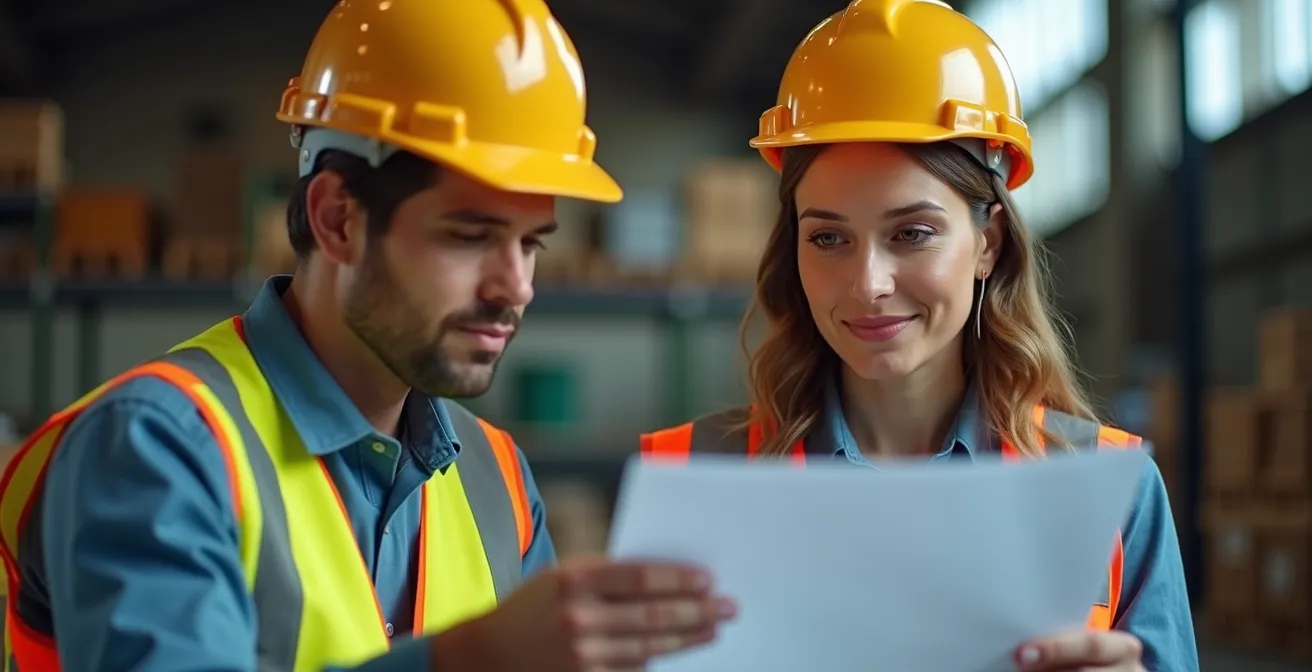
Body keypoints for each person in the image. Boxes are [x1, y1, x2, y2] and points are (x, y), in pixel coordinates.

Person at [0, 1, 734, 671]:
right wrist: (466, 660)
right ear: (337, 219)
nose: (515, 287)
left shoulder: (498, 477)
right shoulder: (157, 447)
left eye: (531, 243)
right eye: (469, 236)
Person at [639, 1, 1197, 670]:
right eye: (828, 238)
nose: (868, 282)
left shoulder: (1110, 492)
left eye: (912, 233)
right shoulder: (695, 477)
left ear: (987, 244)